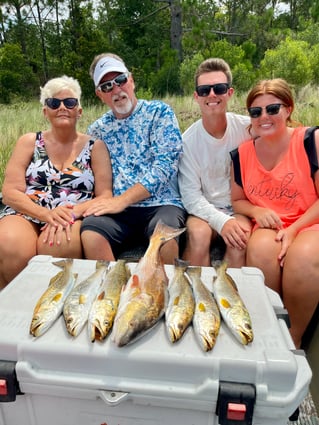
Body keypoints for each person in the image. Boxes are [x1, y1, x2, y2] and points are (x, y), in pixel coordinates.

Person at [230, 77, 319, 349]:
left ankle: (295, 337)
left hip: (309, 221)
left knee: (302, 258)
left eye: (273, 109)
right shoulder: (241, 154)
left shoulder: (310, 141)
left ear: (288, 109)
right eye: (256, 112)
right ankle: (270, 328)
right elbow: (237, 200)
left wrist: (293, 230)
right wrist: (256, 209)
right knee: (259, 252)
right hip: (270, 224)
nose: (264, 117)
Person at [0, 75, 112, 289]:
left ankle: (55, 308)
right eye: (54, 102)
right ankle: (17, 307)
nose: (62, 107)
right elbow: (10, 192)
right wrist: (45, 214)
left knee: (59, 246)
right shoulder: (29, 142)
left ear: (79, 110)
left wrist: (70, 213)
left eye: (70, 102)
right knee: (8, 243)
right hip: (27, 212)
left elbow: (105, 195)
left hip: (70, 215)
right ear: (45, 111)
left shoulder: (95, 147)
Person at [80, 53, 186, 264]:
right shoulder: (97, 130)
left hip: (162, 203)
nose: (117, 90)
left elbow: (166, 166)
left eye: (120, 80)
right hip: (118, 211)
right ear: (100, 95)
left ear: (132, 80)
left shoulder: (160, 113)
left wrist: (122, 200)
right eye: (107, 86)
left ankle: (161, 295)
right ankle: (110, 292)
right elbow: (93, 176)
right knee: (91, 234)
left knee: (164, 239)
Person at [178, 58, 252, 267]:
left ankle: (230, 297)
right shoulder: (188, 141)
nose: (212, 95)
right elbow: (191, 196)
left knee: (240, 242)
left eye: (219, 88)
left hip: (240, 208)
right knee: (199, 237)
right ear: (196, 96)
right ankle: (193, 293)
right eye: (204, 90)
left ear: (229, 93)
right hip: (204, 211)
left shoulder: (247, 129)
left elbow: (281, 134)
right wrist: (221, 221)